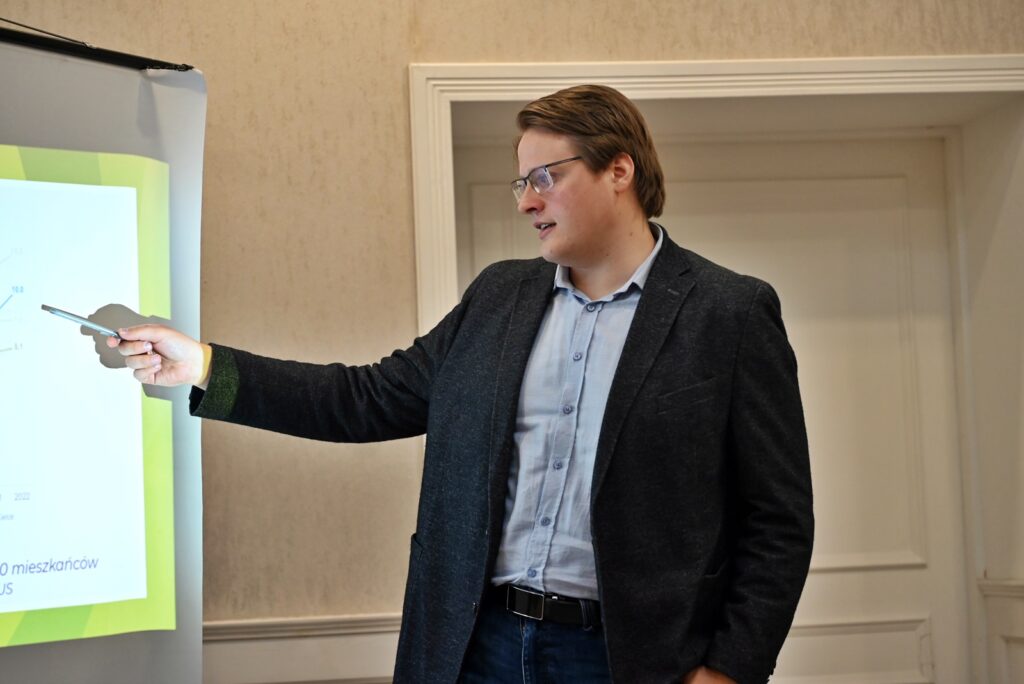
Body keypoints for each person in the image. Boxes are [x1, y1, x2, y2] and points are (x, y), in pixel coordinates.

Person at [110, 85, 813, 684]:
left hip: (627, 658)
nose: (526, 202)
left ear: (619, 170)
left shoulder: (730, 313)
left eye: (545, 177)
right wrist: (204, 365)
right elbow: (365, 398)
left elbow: (778, 522)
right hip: (474, 646)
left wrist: (729, 669)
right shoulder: (498, 298)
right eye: (520, 183)